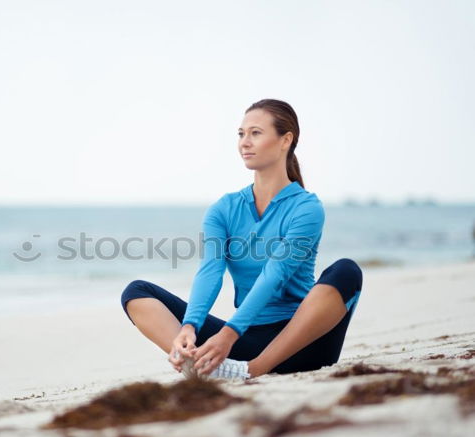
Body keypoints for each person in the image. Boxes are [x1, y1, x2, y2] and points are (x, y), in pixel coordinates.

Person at [120, 99, 363, 380]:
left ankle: (253, 369)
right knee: (137, 292)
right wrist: (189, 327)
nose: (244, 142)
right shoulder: (224, 209)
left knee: (346, 271)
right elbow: (210, 271)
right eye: (241, 134)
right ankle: (196, 362)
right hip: (246, 340)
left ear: (286, 140)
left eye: (255, 133)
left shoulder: (306, 208)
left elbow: (276, 275)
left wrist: (228, 335)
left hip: (304, 344)